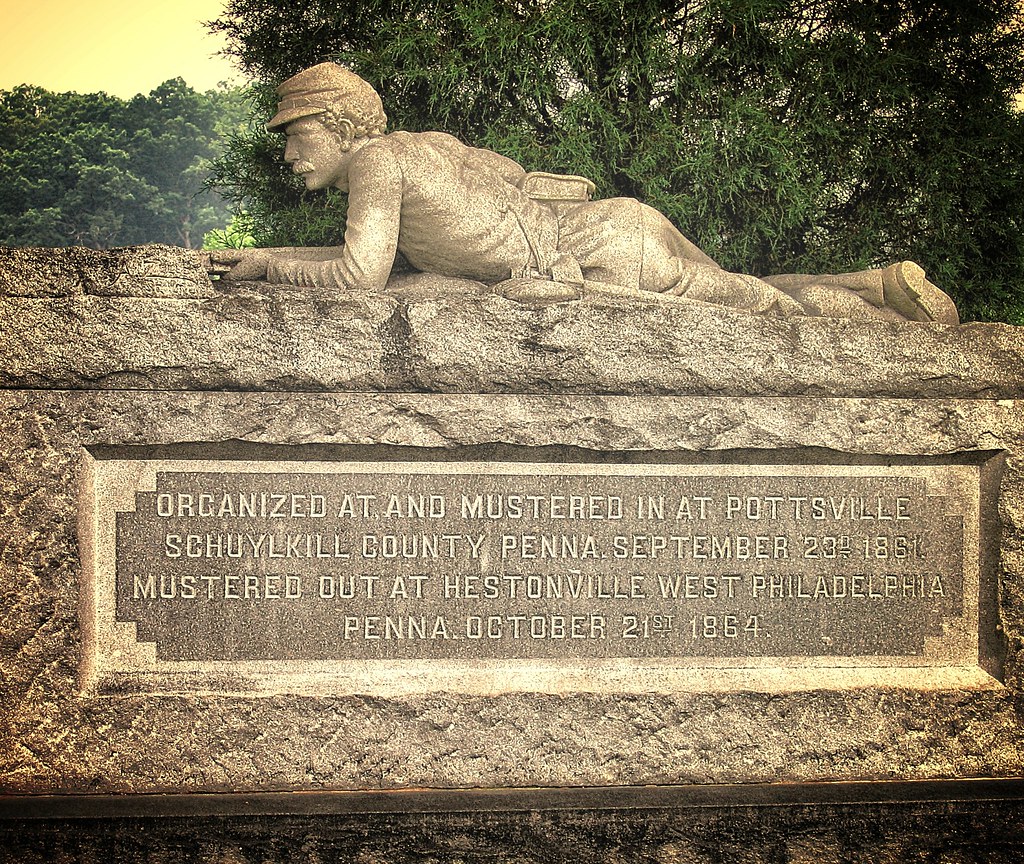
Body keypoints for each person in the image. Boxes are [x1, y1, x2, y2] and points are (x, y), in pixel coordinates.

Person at [209, 63, 958, 324]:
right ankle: (875, 282)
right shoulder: (425, 147)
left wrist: (267, 265)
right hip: (612, 225)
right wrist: (272, 252)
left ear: (335, 124)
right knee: (747, 290)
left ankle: (894, 331)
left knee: (763, 311)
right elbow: (518, 177)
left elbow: (359, 277)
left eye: (292, 133)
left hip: (599, 264)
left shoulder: (375, 166)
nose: (287, 153)